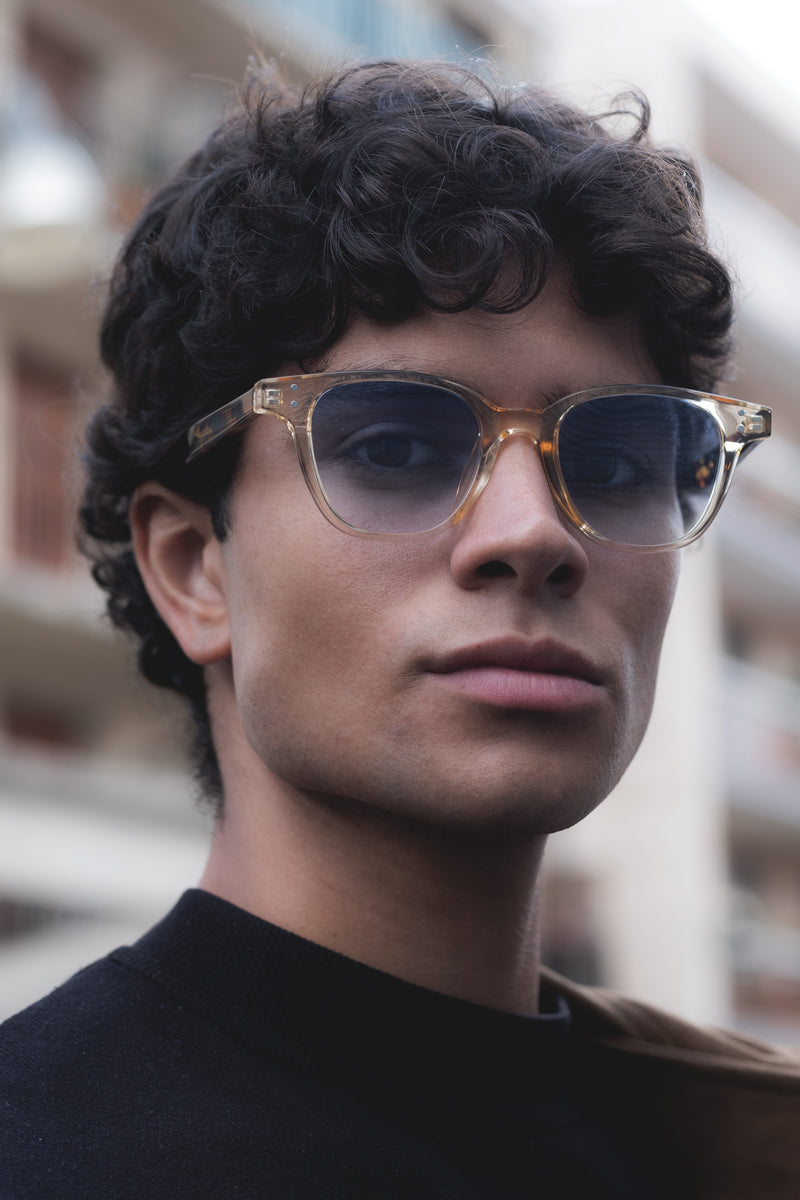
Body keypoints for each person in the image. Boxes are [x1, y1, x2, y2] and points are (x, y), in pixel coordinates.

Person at [1, 59, 796, 1200]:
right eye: (393, 447)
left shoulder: (726, 1153)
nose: (532, 534)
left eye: (615, 461)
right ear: (193, 568)